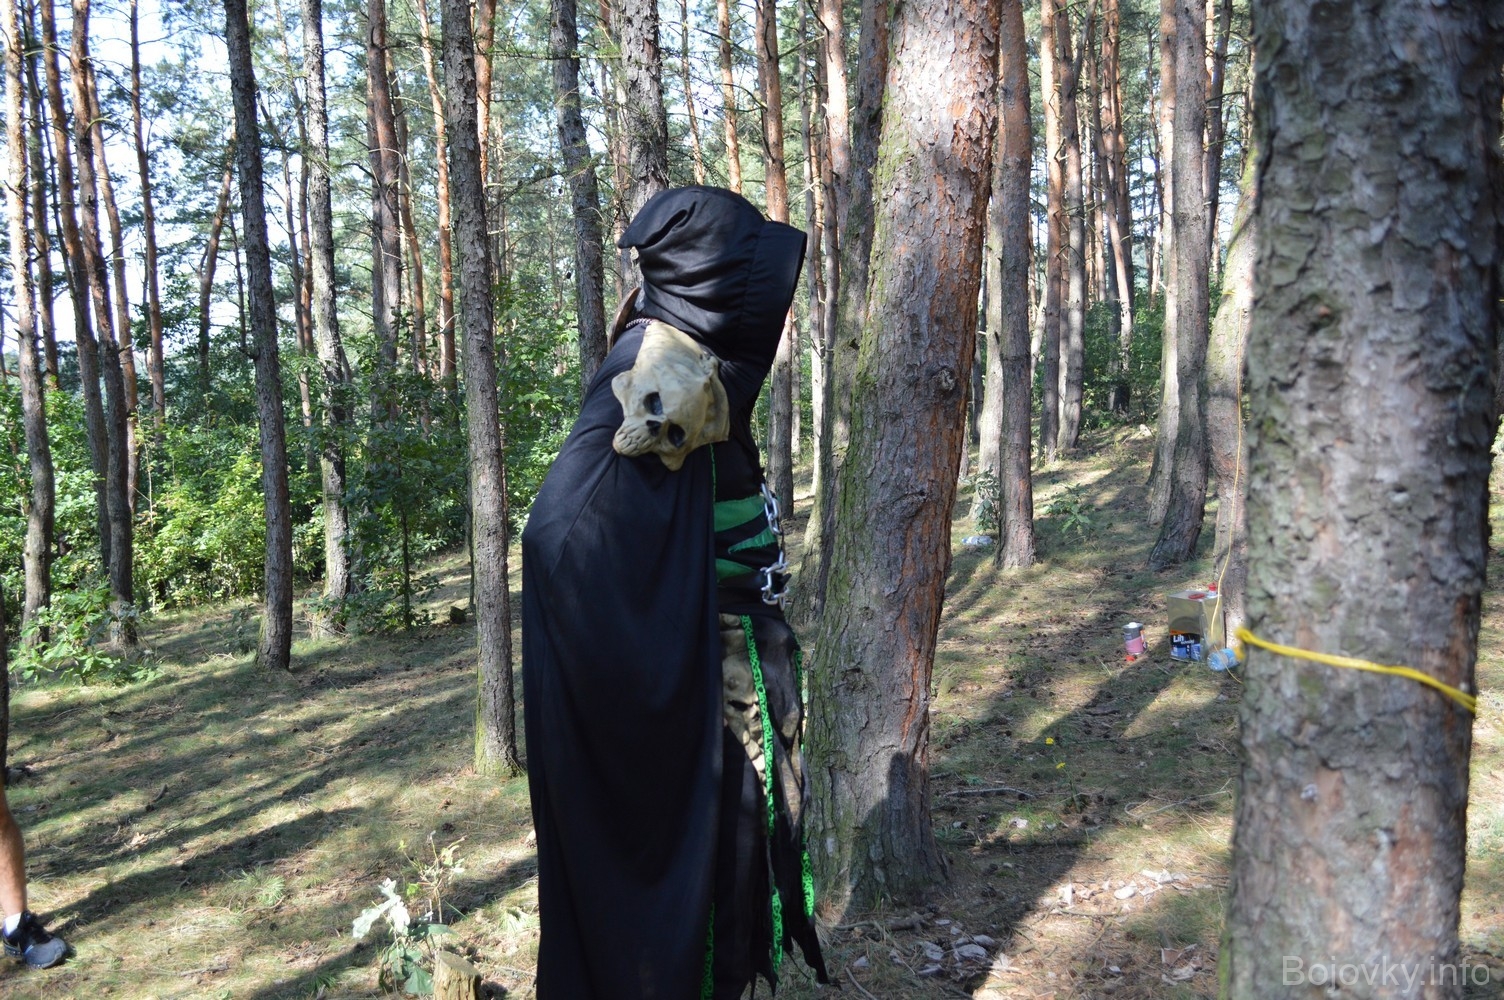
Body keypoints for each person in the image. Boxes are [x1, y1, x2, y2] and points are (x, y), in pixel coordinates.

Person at [522, 186, 829, 999]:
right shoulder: (654, 373)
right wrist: (667, 637)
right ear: (712, 284)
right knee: (711, 874)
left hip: (733, 670)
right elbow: (558, 539)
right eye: (752, 283)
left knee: (734, 871)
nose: (770, 308)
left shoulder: (690, 362)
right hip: (708, 689)